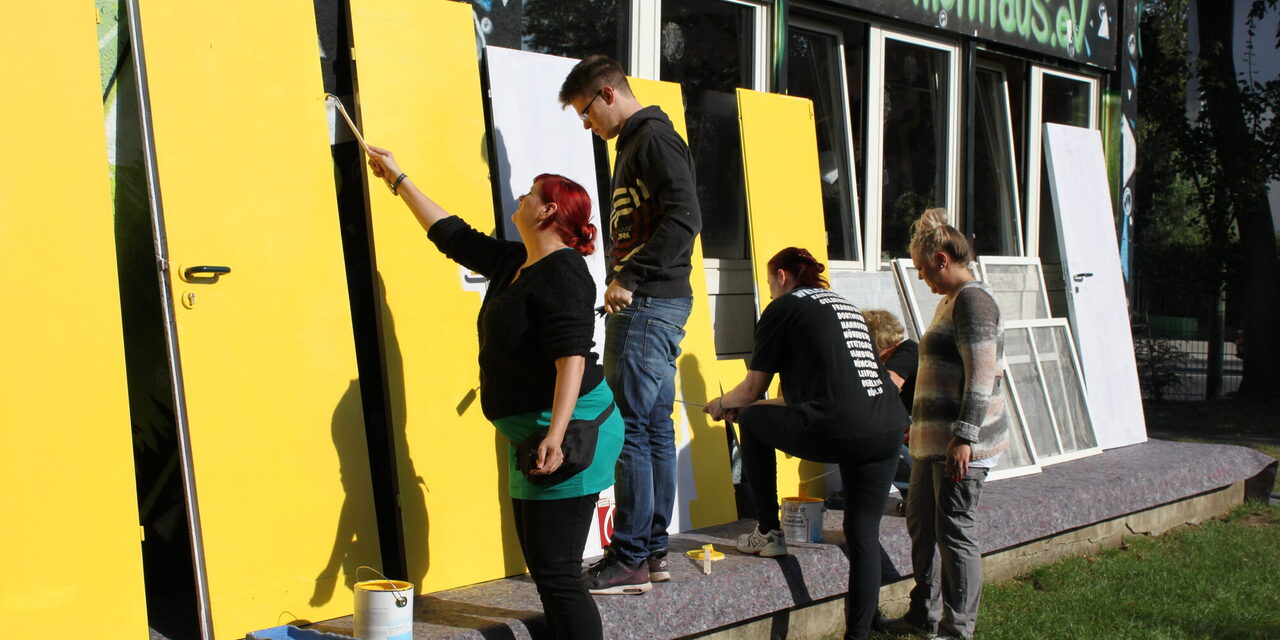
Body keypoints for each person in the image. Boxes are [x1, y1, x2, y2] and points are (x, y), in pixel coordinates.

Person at [365, 145, 623, 640]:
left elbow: (571, 357)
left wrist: (557, 433)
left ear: (548, 210)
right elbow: (452, 236)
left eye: (530, 193)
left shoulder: (566, 271)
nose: (522, 196)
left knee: (559, 573)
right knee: (548, 571)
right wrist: (398, 178)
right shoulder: (516, 261)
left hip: (571, 431)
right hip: (536, 433)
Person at [704, 248, 910, 640]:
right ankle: (859, 635)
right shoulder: (844, 306)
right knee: (863, 534)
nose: (769, 291)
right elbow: (815, 393)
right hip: (885, 427)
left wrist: (722, 405)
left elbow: (751, 390)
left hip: (838, 426)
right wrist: (754, 406)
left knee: (749, 419)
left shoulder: (782, 309)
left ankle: (768, 531)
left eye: (768, 283)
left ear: (781, 276)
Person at [559, 55, 702, 594]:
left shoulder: (652, 140)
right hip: (653, 302)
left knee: (633, 432)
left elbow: (686, 216)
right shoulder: (638, 143)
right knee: (653, 427)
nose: (586, 124)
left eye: (585, 112)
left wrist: (631, 276)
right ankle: (653, 550)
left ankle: (631, 556)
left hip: (647, 304)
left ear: (606, 93)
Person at [878, 208, 1008, 640]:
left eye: (920, 268)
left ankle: (957, 630)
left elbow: (981, 374)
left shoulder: (974, 299)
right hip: (931, 441)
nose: (919, 278)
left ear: (941, 259)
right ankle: (924, 614)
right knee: (921, 523)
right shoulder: (948, 301)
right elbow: (937, 372)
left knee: (955, 534)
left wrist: (964, 437)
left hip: (960, 444)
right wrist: (920, 424)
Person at [862, 309, 918, 506]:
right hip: (919, 425)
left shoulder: (907, 351)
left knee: (881, 438)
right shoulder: (900, 353)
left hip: (929, 429)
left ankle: (915, 496)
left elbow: (885, 390)